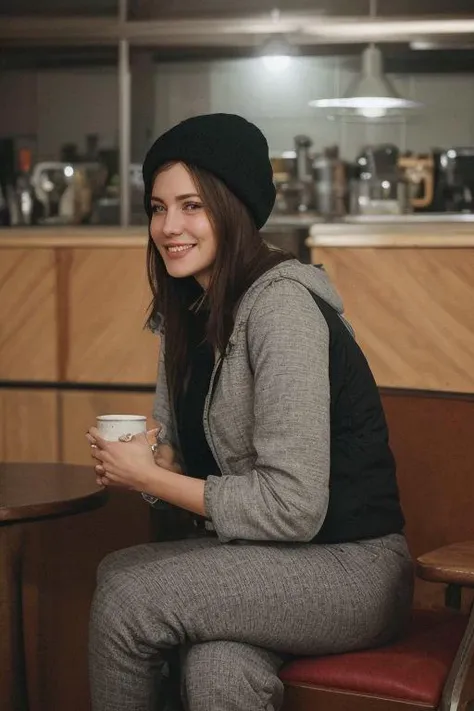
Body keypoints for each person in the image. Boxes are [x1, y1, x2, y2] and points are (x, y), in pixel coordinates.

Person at [86, 113, 413, 711]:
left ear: (232, 208)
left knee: (125, 593)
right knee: (219, 667)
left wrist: (153, 479)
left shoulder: (281, 309)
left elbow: (292, 508)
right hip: (261, 565)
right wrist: (152, 462)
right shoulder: (186, 313)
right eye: (157, 208)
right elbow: (184, 465)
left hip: (350, 569)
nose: (168, 227)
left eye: (191, 206)